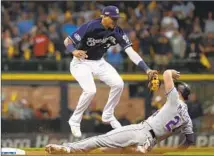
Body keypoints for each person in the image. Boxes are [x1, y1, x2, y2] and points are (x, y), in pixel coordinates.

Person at [45, 69, 195, 154]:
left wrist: (172, 73)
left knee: (99, 141)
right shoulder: (187, 118)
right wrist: (173, 151)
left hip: (141, 131)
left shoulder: (175, 99)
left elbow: (167, 74)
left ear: (179, 92)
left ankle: (67, 148)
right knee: (108, 151)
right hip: (151, 143)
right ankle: (137, 149)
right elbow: (190, 140)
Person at [64, 5, 157, 137]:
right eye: (112, 18)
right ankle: (74, 120)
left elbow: (131, 52)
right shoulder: (91, 26)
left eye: (116, 19)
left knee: (119, 84)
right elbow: (67, 41)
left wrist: (147, 69)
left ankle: (107, 115)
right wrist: (73, 51)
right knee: (90, 91)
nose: (115, 21)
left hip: (99, 62)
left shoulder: (117, 31)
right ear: (104, 17)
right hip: (81, 63)